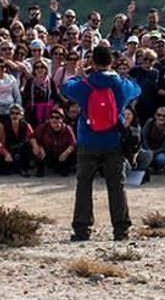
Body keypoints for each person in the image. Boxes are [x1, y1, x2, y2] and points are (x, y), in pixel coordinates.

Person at [61, 43, 141, 242]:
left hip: (88, 139)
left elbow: (66, 88)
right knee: (117, 185)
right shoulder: (120, 84)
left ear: (92, 61)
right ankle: (121, 229)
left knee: (84, 185)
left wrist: (81, 74)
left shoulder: (86, 84)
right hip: (113, 140)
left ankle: (82, 229)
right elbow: (137, 89)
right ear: (111, 62)